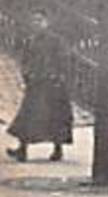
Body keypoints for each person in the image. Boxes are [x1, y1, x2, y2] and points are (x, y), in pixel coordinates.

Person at [6, 10, 73, 163]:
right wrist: (27, 73)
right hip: (36, 82)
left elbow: (64, 59)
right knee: (28, 115)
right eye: (34, 20)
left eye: (39, 20)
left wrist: (58, 76)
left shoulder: (55, 40)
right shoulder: (31, 40)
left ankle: (58, 149)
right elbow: (26, 59)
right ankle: (22, 149)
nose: (36, 23)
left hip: (52, 83)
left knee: (56, 117)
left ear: (47, 22)